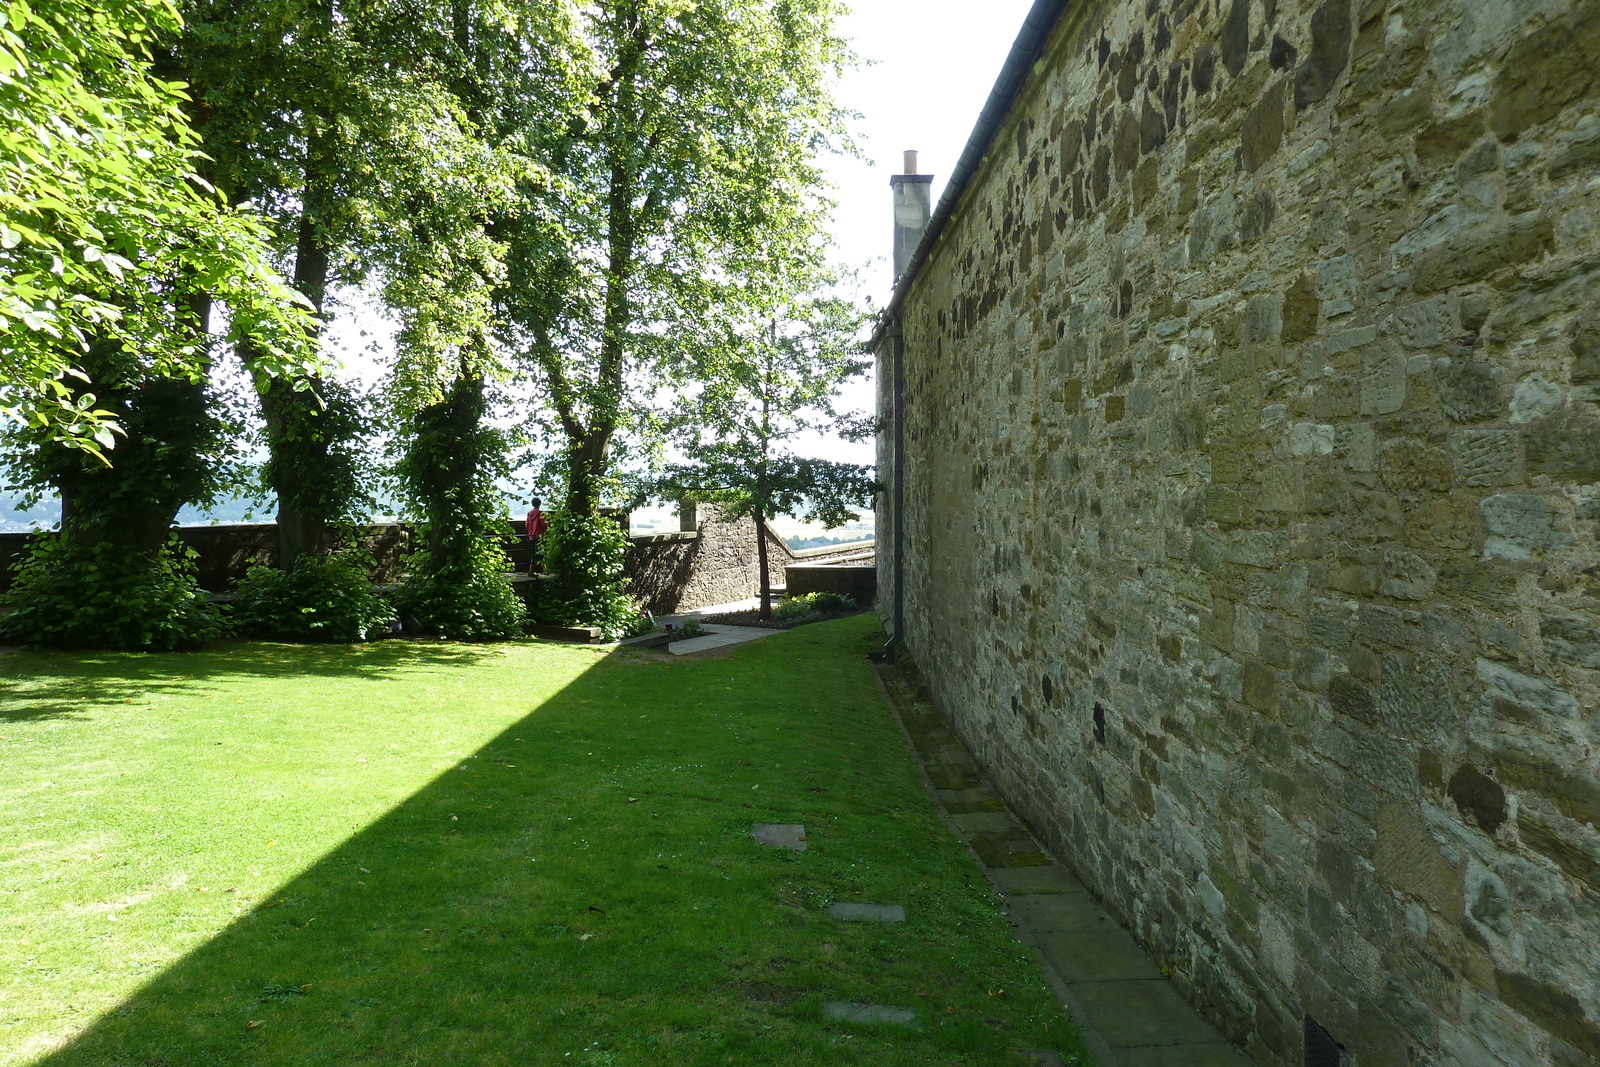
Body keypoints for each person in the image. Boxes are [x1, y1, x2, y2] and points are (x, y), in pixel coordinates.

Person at [525, 497, 549, 575]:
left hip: (532, 536)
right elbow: (544, 524)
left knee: (534, 553)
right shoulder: (542, 513)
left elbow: (527, 525)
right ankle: (545, 570)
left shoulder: (529, 513)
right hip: (540, 536)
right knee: (541, 553)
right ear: (540, 504)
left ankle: (531, 570)